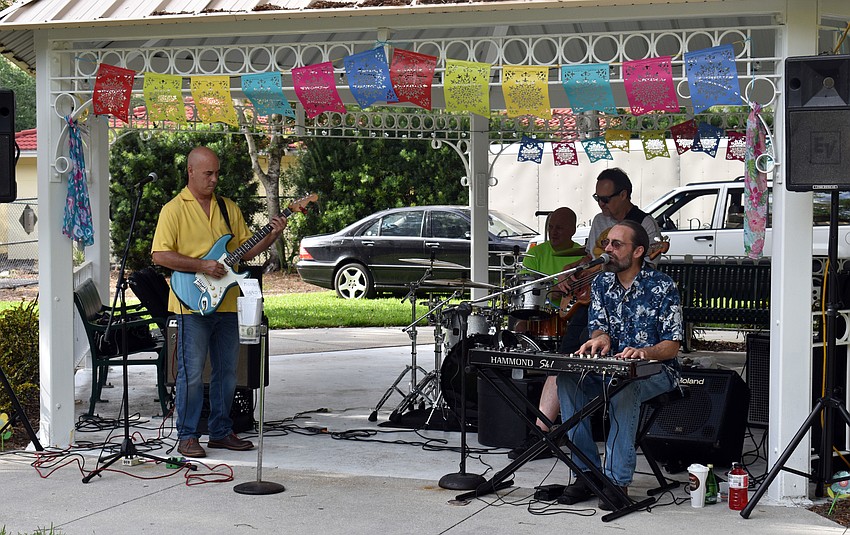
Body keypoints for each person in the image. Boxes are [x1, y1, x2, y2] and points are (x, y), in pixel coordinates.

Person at [151, 146, 287, 459]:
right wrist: (202, 265)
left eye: (216, 173)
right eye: (208, 173)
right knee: (193, 374)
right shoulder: (173, 209)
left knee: (228, 373)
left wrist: (272, 233)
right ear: (191, 172)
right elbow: (160, 254)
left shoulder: (228, 208)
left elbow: (246, 251)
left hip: (227, 303)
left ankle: (221, 431)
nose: (214, 179)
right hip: (190, 302)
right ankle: (187, 436)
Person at [555, 220, 682, 511]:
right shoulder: (600, 282)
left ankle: (616, 481)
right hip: (612, 369)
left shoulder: (662, 286)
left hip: (658, 372)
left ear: (638, 251)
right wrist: (601, 340)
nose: (608, 250)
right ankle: (586, 472)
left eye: (616, 245)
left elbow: (672, 345)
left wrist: (643, 352)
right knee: (567, 380)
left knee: (625, 389)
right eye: (607, 244)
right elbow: (598, 328)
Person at [507, 207, 585, 460]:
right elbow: (526, 288)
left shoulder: (584, 257)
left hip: (571, 320)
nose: (553, 231)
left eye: (560, 227)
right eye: (550, 226)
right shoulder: (536, 252)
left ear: (573, 230)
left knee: (565, 368)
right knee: (517, 317)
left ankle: (551, 428)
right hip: (539, 317)